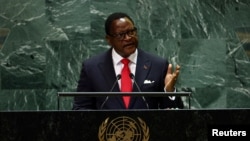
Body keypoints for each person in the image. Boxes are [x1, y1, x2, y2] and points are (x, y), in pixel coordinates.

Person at [73, 12, 184, 110]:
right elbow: (81, 108)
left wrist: (169, 92)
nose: (128, 38)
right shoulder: (92, 68)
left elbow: (173, 113)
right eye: (121, 35)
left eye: (131, 32)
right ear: (109, 39)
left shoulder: (158, 65)